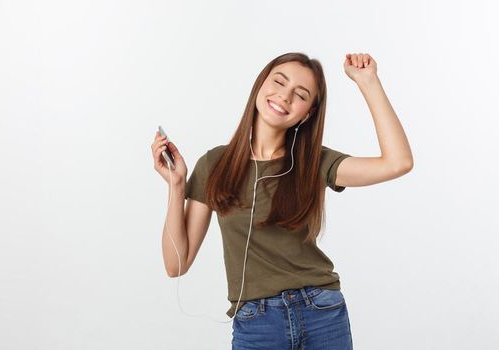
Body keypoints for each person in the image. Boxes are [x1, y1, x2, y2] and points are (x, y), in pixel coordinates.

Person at [150, 52, 413, 349]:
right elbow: (176, 263)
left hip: (322, 312)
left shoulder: (313, 162)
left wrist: (368, 82)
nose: (285, 97)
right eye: (279, 81)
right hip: (256, 322)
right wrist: (176, 185)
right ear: (261, 84)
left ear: (308, 113)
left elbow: (398, 163)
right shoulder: (214, 164)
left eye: (300, 95)